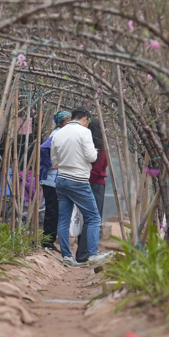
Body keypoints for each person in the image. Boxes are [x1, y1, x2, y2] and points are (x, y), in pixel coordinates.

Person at [51, 107, 113, 267]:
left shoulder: (59, 133)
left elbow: (54, 161)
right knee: (93, 218)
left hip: (62, 180)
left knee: (63, 219)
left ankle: (67, 256)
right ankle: (92, 254)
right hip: (78, 180)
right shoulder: (84, 133)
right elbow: (92, 157)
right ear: (85, 118)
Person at [76, 118, 108, 263]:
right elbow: (96, 171)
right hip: (95, 186)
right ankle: (85, 254)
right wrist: (87, 184)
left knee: (87, 220)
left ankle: (83, 252)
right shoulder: (100, 148)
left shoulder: (86, 146)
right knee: (93, 219)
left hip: (86, 183)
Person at [39, 110, 71, 250]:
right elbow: (43, 148)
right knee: (52, 210)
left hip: (54, 179)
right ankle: (47, 242)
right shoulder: (57, 134)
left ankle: (50, 240)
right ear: (64, 122)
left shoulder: (60, 133)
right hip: (51, 179)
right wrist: (51, 165)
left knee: (54, 210)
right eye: (68, 121)